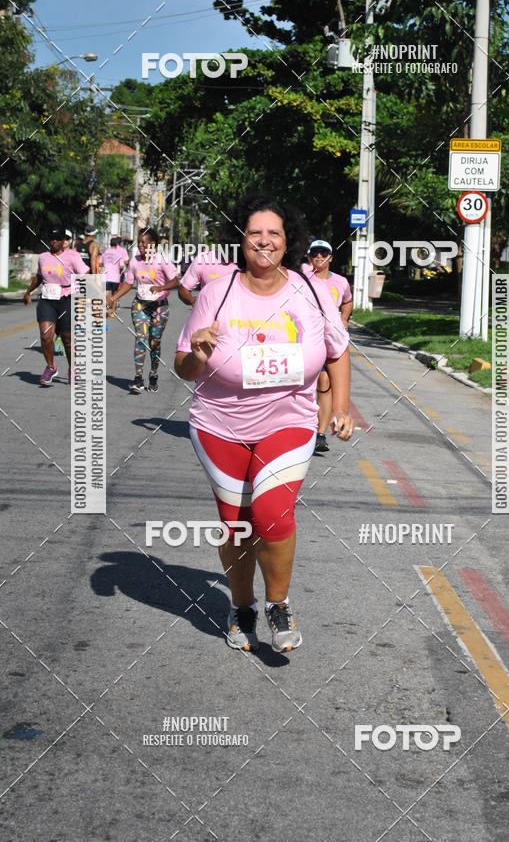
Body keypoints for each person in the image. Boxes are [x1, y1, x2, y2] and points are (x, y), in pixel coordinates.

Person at [175, 195, 353, 654]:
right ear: (241, 239)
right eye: (255, 233)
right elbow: (181, 367)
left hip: (289, 421)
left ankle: (278, 604)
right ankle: (241, 606)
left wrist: (341, 407)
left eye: (273, 233)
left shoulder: (309, 290)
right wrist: (196, 353)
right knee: (237, 525)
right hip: (219, 425)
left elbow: (338, 349)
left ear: (286, 239)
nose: (264, 241)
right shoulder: (218, 292)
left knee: (272, 513)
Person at [108, 228, 179, 393]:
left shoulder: (162, 260)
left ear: (152, 244)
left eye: (143, 242)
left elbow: (176, 282)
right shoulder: (135, 261)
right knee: (140, 339)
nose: (140, 245)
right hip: (140, 304)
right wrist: (114, 297)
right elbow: (128, 283)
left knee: (154, 341)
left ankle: (153, 373)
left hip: (160, 306)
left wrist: (161, 287)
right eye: (139, 242)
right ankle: (138, 378)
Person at [303, 239, 353, 453]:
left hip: (331, 342)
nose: (319, 257)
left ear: (331, 257)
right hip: (306, 340)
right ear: (308, 256)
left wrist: (344, 318)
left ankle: (320, 433)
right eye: (315, 253)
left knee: (325, 381)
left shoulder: (340, 282)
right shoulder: (302, 279)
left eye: (324, 253)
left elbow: (348, 301)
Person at [22, 227, 89, 385]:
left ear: (64, 241)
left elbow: (85, 277)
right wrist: (28, 292)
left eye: (58, 239)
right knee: (45, 336)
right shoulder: (43, 257)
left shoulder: (73, 256)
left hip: (67, 299)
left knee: (67, 339)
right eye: (52, 239)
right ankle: (51, 367)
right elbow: (39, 277)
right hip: (47, 300)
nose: (55, 242)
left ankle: (73, 370)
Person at [100, 236, 129, 317]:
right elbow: (122, 266)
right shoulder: (119, 253)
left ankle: (106, 309)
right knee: (115, 294)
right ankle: (113, 311)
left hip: (106, 276)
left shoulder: (105, 252)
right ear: (117, 244)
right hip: (116, 277)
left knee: (106, 293)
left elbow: (100, 263)